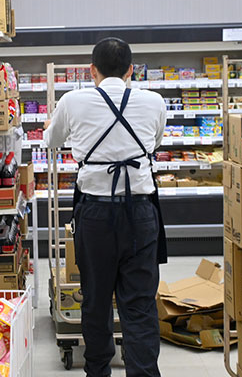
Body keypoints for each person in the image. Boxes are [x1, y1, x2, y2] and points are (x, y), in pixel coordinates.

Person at [44, 37, 168, 377]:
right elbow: (154, 144)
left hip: (95, 215)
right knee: (140, 304)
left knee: (95, 301)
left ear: (92, 70)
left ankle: (97, 372)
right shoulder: (153, 101)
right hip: (141, 213)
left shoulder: (73, 101)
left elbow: (50, 141)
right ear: (131, 70)